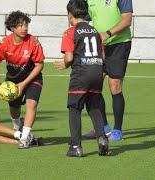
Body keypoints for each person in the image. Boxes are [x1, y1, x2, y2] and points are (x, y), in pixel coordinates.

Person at [54, 0, 108, 157]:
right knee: (94, 107)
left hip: (81, 74)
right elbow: (102, 55)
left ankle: (76, 146)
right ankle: (102, 139)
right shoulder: (95, 32)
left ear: (70, 15)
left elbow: (69, 57)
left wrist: (64, 64)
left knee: (74, 108)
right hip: (97, 72)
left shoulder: (70, 32)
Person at [0, 11, 45, 149]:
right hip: (13, 79)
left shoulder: (34, 42)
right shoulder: (4, 43)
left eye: (26, 25)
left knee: (31, 105)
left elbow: (39, 65)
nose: (24, 28)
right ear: (12, 28)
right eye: (20, 25)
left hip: (32, 78)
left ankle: (25, 138)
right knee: (14, 109)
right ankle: (17, 128)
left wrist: (24, 83)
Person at [85, 0, 133, 141]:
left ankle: (117, 130)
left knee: (115, 86)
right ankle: (103, 127)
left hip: (119, 44)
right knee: (94, 85)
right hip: (99, 46)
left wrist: (108, 33)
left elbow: (127, 20)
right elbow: (82, 18)